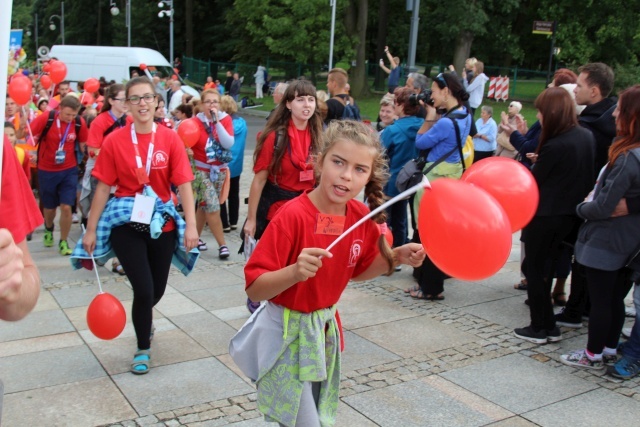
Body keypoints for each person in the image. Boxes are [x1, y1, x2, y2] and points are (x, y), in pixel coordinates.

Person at [229, 120, 425, 427]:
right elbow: (255, 289)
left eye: (360, 169)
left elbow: (355, 272)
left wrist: (395, 257)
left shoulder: (361, 218)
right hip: (284, 335)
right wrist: (294, 272)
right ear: (319, 161)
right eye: (338, 162)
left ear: (369, 176)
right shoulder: (291, 216)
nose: (347, 175)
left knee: (314, 417)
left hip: (322, 334)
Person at [78, 77, 199, 375]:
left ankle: (144, 317)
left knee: (154, 291)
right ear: (126, 104)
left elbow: (183, 185)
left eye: (147, 98)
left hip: (162, 224)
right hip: (126, 223)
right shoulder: (115, 140)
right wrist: (91, 229)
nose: (142, 103)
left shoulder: (170, 138)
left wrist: (192, 227)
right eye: (135, 98)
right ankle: (142, 347)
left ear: (157, 102)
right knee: (143, 290)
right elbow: (103, 188)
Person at [560, 84, 640, 370]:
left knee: (602, 301)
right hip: (626, 241)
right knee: (614, 298)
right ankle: (606, 349)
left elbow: (603, 206)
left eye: (621, 108)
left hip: (606, 242)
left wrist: (580, 207)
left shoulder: (628, 157)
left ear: (632, 115)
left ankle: (592, 354)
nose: (614, 112)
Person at [513, 87, 596, 345]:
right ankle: (548, 323)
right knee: (547, 268)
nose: (538, 116)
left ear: (551, 113)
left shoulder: (555, 143)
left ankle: (540, 326)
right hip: (570, 215)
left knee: (535, 270)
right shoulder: (585, 136)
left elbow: (535, 182)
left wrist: (537, 164)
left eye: (540, 111)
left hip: (546, 216)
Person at [242, 80, 324, 312]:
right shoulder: (275, 138)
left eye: (310, 99)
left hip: (308, 209)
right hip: (278, 210)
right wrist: (250, 220)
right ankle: (260, 294)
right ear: (288, 104)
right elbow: (259, 180)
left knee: (302, 260)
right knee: (275, 261)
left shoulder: (319, 136)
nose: (306, 105)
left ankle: (292, 300)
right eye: (300, 99)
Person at [555, 63, 617, 328]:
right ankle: (585, 306)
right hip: (598, 200)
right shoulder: (609, 118)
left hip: (589, 201)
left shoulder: (592, 125)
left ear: (594, 91)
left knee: (582, 256)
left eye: (579, 85)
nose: (575, 90)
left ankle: (575, 309)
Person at [408, 72, 472, 300]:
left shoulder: (445, 122)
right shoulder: (465, 115)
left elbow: (420, 141)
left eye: (434, 90)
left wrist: (430, 117)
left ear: (446, 91)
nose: (432, 95)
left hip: (434, 179)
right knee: (438, 232)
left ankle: (431, 287)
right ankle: (427, 282)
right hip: (451, 175)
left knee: (428, 232)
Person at [80, 83, 131, 274]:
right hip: (101, 174)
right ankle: (98, 251)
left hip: (122, 174)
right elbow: (92, 150)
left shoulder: (129, 121)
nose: (126, 103)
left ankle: (118, 258)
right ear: (111, 101)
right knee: (99, 215)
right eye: (122, 99)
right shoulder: (100, 121)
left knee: (118, 218)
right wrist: (116, 155)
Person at [30, 95, 88, 256]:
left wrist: (92, 156)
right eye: (67, 114)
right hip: (46, 170)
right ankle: (49, 228)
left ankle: (63, 241)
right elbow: (29, 135)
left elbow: (84, 145)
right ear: (60, 109)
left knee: (67, 207)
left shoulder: (78, 123)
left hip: (69, 170)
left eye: (73, 115)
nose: (70, 118)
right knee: (49, 208)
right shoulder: (46, 119)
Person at [190, 89, 235, 259]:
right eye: (208, 102)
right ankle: (222, 244)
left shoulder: (225, 119)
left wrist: (216, 122)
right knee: (212, 206)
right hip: (201, 170)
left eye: (214, 102)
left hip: (219, 170)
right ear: (201, 105)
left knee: (204, 206)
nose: (211, 105)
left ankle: (195, 239)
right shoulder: (194, 122)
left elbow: (228, 142)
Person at [380, 87, 421, 249]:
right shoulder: (423, 125)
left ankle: (385, 252)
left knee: (384, 221)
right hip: (410, 182)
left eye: (396, 102)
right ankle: (399, 250)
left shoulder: (392, 130)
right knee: (401, 219)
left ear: (401, 105)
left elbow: (379, 155)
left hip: (390, 182)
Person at [219, 95, 247, 232]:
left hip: (224, 164)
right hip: (237, 164)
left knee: (222, 194)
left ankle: (224, 223)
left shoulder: (223, 125)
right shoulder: (242, 123)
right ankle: (234, 221)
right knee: (234, 193)